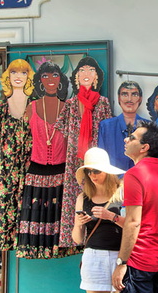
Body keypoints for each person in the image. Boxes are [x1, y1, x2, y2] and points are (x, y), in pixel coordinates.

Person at [112, 121, 158, 293]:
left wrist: (121, 263)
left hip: (140, 263)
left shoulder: (134, 175)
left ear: (144, 147)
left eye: (131, 138)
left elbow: (133, 222)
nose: (126, 140)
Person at [16, 61, 78, 259]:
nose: (50, 80)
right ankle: (36, 250)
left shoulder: (68, 108)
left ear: (61, 80)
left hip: (62, 172)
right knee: (37, 213)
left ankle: (59, 250)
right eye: (45, 76)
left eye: (54, 75)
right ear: (39, 81)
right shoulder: (31, 108)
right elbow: (22, 141)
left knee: (59, 214)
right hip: (36, 172)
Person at [55, 56, 112, 248]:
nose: (86, 74)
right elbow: (61, 129)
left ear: (96, 77)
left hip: (96, 158)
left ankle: (99, 234)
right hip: (75, 159)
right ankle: (75, 237)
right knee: (77, 198)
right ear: (76, 77)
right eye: (82, 70)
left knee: (98, 195)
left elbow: (107, 129)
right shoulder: (70, 104)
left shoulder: (102, 103)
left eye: (90, 71)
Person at [0, 59, 34, 251]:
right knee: (5, 202)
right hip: (7, 164)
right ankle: (4, 243)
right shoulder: (0, 106)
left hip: (29, 163)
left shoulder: (34, 106)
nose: (18, 76)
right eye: (14, 72)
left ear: (28, 77)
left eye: (23, 73)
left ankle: (26, 243)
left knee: (28, 201)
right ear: (8, 76)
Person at [72, 147, 126, 293]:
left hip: (119, 256)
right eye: (88, 172)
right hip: (93, 255)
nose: (92, 175)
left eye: (96, 171)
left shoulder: (121, 192)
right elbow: (77, 239)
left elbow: (133, 225)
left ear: (107, 172)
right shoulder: (83, 198)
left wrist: (110, 216)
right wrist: (79, 224)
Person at [98, 81, 149, 171]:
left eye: (134, 94)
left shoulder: (149, 127)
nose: (129, 99)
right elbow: (100, 161)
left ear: (140, 99)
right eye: (125, 94)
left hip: (141, 180)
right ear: (118, 98)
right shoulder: (105, 127)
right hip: (113, 182)